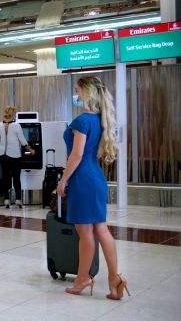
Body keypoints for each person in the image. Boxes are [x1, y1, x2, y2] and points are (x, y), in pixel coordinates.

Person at [57, 76, 129, 300]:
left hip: (81, 180)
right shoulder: (101, 120)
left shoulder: (81, 121)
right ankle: (114, 279)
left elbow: (76, 155)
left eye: (77, 91)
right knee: (102, 230)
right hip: (96, 178)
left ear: (86, 93)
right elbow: (94, 154)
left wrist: (63, 180)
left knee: (85, 232)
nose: (75, 95)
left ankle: (83, 278)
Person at [0, 105, 35, 209]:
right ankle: (18, 200)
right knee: (16, 177)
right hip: (15, 155)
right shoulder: (17, 126)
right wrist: (30, 150)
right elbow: (23, 141)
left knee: (5, 178)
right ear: (13, 115)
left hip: (2, 155)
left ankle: (6, 200)